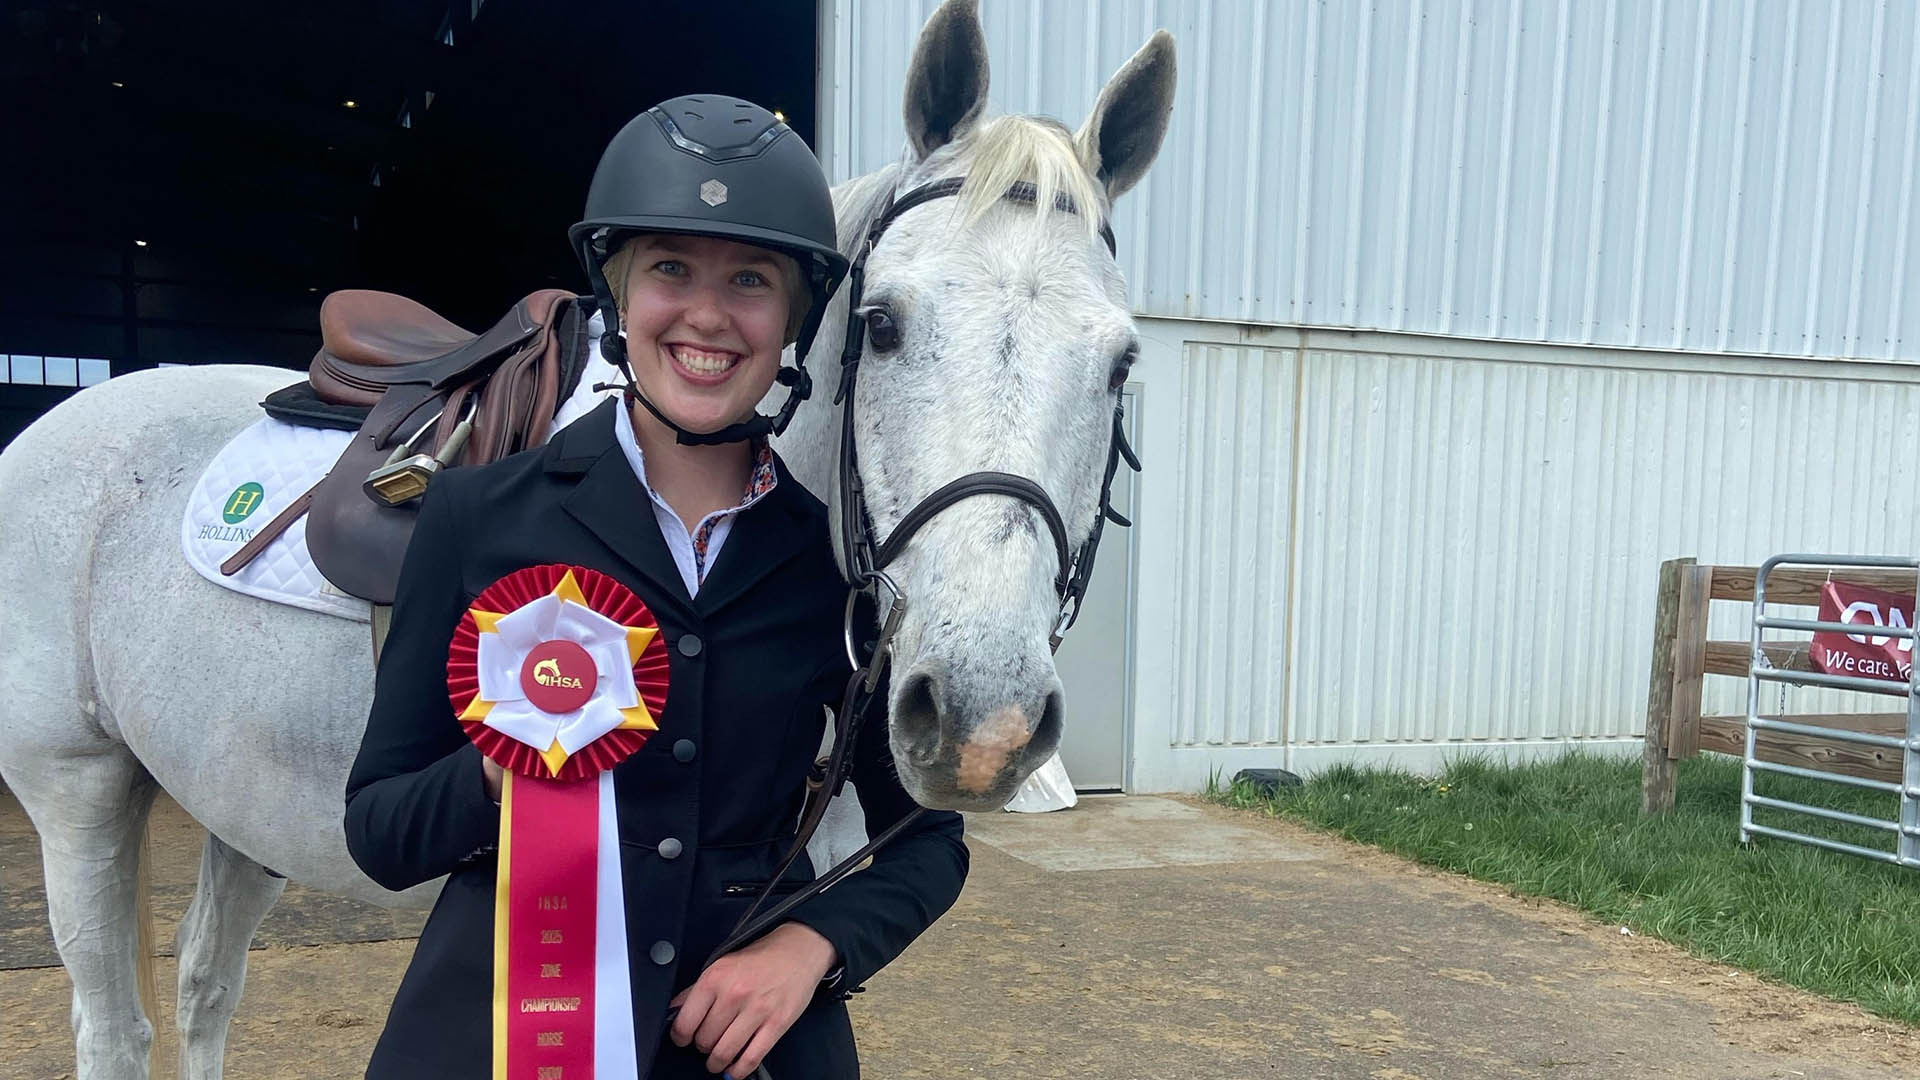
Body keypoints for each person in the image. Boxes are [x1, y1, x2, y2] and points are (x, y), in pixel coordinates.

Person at [343, 95, 968, 1079]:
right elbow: (378, 829)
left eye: (751, 280)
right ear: (620, 294)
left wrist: (812, 951)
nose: (709, 316)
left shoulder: (835, 567)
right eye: (670, 268)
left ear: (794, 320)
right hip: (505, 1033)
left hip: (739, 1045)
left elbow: (928, 839)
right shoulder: (474, 519)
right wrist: (503, 773)